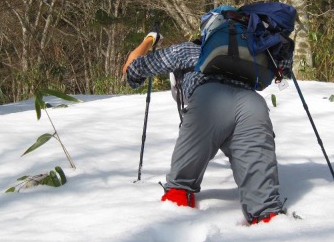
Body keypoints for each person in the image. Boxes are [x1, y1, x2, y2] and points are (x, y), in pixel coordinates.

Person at [122, 26, 291, 225]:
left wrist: (149, 40)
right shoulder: (250, 51)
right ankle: (272, 231)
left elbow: (131, 71)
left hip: (209, 102)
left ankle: (173, 237)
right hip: (253, 105)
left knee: (179, 190)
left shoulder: (185, 50)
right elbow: (283, 68)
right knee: (266, 208)